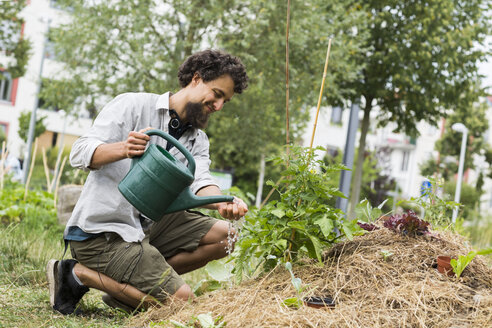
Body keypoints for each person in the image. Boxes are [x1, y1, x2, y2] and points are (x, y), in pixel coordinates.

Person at [46, 49, 249, 315]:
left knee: (229, 236)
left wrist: (223, 201)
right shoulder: (134, 106)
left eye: (226, 101)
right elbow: (80, 152)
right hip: (103, 232)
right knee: (181, 302)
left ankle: (128, 288)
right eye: (217, 94)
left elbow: (201, 180)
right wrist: (123, 148)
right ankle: (77, 274)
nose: (219, 106)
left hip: (147, 228)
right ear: (197, 79)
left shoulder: (198, 140)